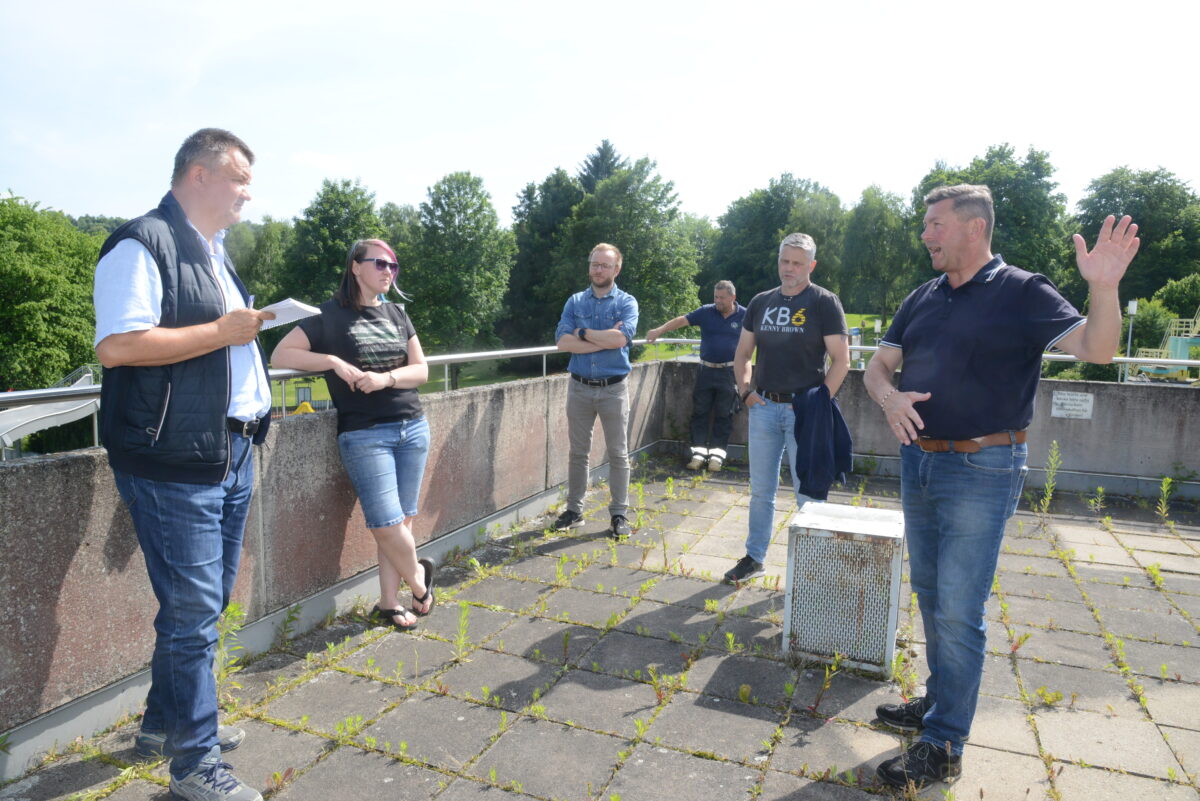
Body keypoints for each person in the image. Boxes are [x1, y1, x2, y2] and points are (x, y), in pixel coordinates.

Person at [864, 184, 1140, 790]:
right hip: (919, 462)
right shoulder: (923, 296)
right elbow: (877, 366)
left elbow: (1097, 349)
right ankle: (940, 702)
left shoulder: (1022, 290)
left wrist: (1104, 286)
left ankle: (944, 744)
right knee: (931, 596)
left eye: (935, 224)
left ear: (974, 227)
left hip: (982, 468)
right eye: (925, 225)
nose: (925, 235)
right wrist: (888, 398)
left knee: (959, 608)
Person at [93, 128, 274, 801]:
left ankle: (162, 724)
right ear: (199, 174)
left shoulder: (213, 253)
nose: (249, 194)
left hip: (229, 451)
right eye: (240, 180)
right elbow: (118, 346)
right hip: (175, 459)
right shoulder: (142, 243)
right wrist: (224, 331)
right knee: (195, 612)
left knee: (200, 606)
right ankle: (195, 766)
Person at [271, 239, 434, 633]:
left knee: (402, 523)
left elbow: (421, 371)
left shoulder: (398, 313)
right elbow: (280, 355)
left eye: (393, 266)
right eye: (380, 263)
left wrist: (386, 378)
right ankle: (420, 581)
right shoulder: (328, 316)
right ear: (356, 267)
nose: (388, 271)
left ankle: (389, 603)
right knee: (385, 523)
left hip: (412, 426)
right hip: (364, 433)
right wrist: (331, 361)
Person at [724, 233, 850, 584]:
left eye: (797, 263)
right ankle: (754, 558)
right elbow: (742, 354)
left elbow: (841, 361)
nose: (789, 268)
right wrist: (745, 391)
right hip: (764, 408)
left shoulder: (824, 302)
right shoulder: (761, 302)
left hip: (804, 412)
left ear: (811, 265)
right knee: (760, 491)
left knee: (807, 492)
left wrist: (819, 402)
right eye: (785, 261)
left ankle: (813, 569)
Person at [552, 243, 640, 538]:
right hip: (579, 387)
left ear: (617, 269)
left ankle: (619, 514)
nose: (598, 270)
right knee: (578, 453)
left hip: (614, 389)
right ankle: (574, 511)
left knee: (618, 454)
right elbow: (562, 342)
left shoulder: (627, 302)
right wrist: (604, 339)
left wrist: (583, 333)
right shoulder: (575, 302)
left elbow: (621, 339)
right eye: (594, 264)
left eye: (604, 265)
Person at [646, 280, 746, 471]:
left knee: (724, 414)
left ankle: (717, 457)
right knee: (700, 412)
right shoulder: (706, 312)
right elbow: (681, 320)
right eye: (716, 297)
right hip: (705, 371)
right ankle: (698, 455)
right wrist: (659, 330)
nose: (718, 301)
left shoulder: (745, 315)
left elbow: (758, 335)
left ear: (733, 297)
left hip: (729, 372)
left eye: (722, 298)